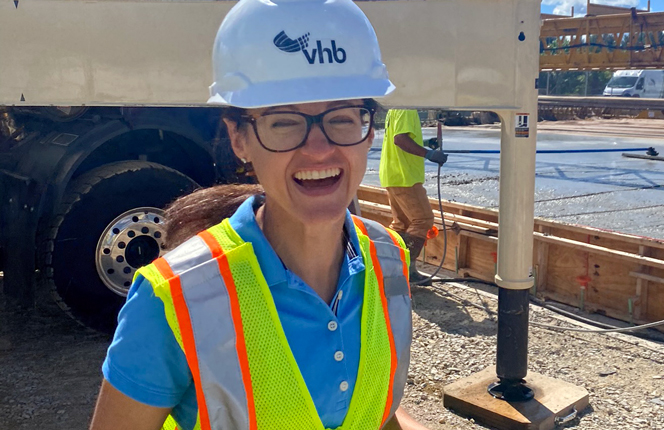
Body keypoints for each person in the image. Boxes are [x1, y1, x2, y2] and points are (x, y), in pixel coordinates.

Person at [88, 0, 429, 429]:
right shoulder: (175, 298)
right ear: (239, 139)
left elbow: (375, 411)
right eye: (284, 122)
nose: (319, 149)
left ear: (369, 130)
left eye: (343, 117)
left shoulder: (389, 258)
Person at [379, 109, 447, 284]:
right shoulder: (406, 108)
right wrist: (428, 154)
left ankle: (391, 268)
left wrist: (424, 143)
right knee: (423, 220)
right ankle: (404, 271)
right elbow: (400, 140)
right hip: (405, 176)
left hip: (392, 174)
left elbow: (401, 138)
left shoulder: (395, 108)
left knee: (402, 224)